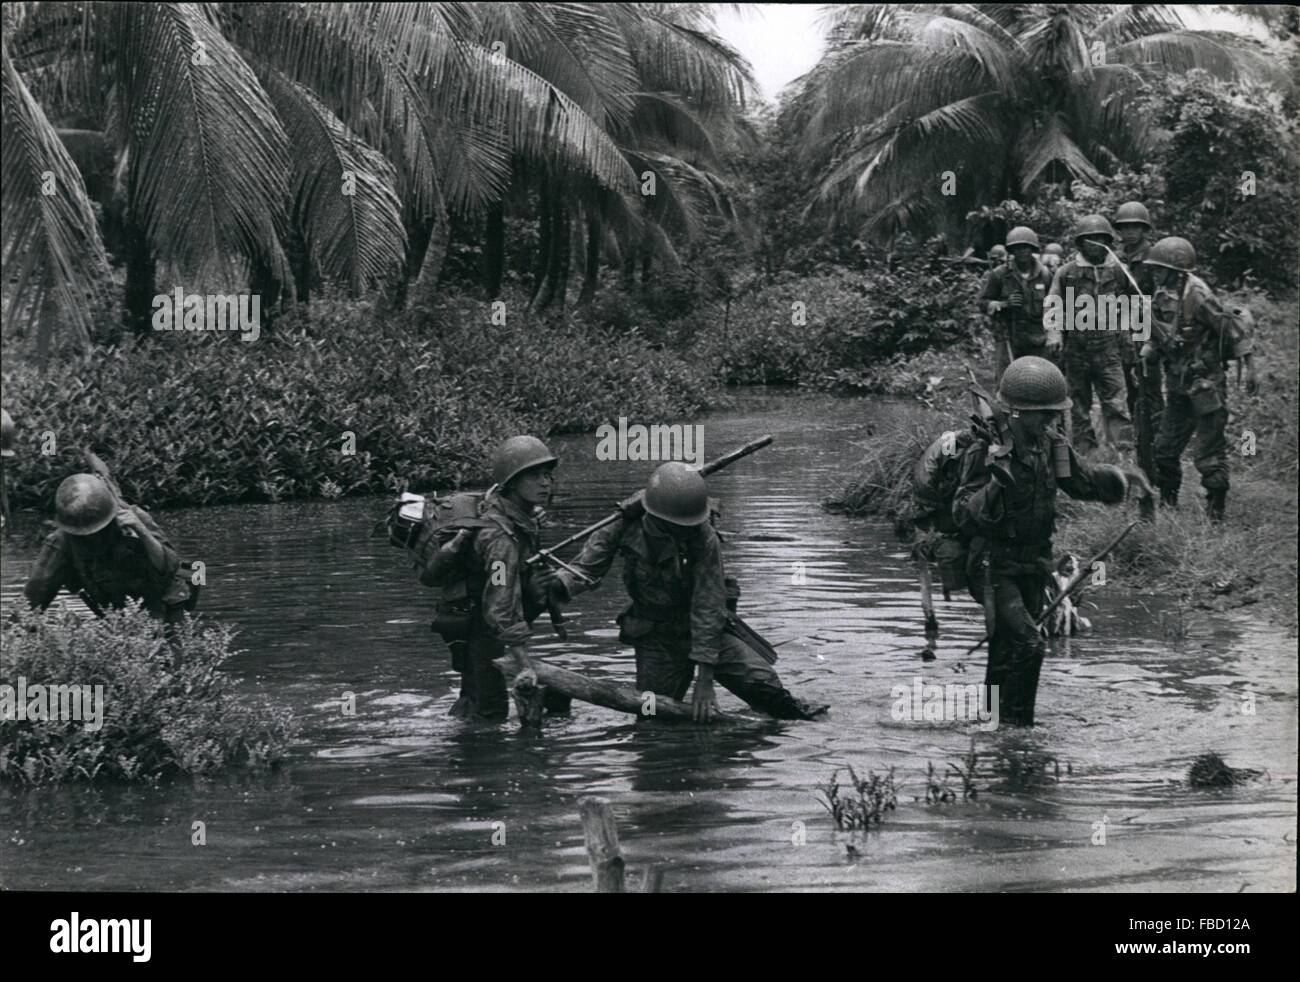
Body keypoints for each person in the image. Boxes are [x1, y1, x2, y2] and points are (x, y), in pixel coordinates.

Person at [547, 462, 826, 722]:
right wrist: (556, 585)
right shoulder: (622, 524)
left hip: (710, 629)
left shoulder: (703, 535)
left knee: (768, 690)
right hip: (655, 634)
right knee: (653, 716)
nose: (684, 532)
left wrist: (704, 680)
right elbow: (586, 568)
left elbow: (708, 604)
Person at [953, 357, 1139, 726]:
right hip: (991, 566)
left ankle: (994, 725)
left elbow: (1081, 482)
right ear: (1018, 412)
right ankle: (1019, 735)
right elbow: (962, 513)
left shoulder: (1052, 446)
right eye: (1044, 414)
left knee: (1006, 647)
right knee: (1029, 643)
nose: (1051, 421)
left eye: (1054, 414)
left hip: (1033, 565)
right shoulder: (984, 450)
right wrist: (993, 485)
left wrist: (1122, 480)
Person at [450, 435, 571, 720]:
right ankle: (476, 757)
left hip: (485, 627)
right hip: (481, 630)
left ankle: (465, 741)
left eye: (547, 475)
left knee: (476, 703)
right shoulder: (500, 539)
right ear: (513, 482)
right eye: (534, 476)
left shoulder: (522, 519)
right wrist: (524, 663)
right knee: (490, 713)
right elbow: (500, 604)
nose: (545, 483)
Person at [1142, 238, 1257, 521]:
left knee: (1208, 452)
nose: (1155, 273)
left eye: (1160, 268)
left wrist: (1251, 368)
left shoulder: (1199, 295)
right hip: (1178, 383)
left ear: (1177, 270)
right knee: (1164, 449)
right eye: (1154, 269)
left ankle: (1215, 514)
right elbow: (1159, 331)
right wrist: (1150, 348)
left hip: (1206, 384)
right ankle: (1169, 505)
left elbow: (1233, 330)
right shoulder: (1162, 292)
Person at [24, 473, 194, 623]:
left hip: (165, 604)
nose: (90, 536)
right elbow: (34, 597)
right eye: (81, 533)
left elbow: (169, 567)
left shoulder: (134, 518)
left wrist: (142, 531)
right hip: (116, 615)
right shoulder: (61, 541)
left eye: (97, 529)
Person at [1045, 214, 1132, 455]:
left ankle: (1122, 453)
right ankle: (1085, 452)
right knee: (1078, 403)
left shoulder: (1118, 271)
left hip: (1108, 347)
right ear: (1081, 243)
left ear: (1108, 241)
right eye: (1089, 239)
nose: (1095, 243)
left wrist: (1135, 339)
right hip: (1077, 347)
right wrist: (1054, 335)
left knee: (1116, 402)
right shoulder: (1067, 272)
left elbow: (1134, 304)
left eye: (1100, 238)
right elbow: (1053, 304)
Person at [1113, 201, 1164, 434]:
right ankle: (1139, 431)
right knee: (1130, 380)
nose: (1130, 233)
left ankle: (1156, 430)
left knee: (1149, 380)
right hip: (1123, 326)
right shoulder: (1116, 258)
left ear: (1144, 229)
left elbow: (1163, 293)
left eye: (1135, 227)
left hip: (1148, 325)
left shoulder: (1155, 255)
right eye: (1125, 228)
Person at [978, 226, 1054, 382]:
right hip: (1008, 336)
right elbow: (982, 303)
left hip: (1037, 338)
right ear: (1011, 251)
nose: (1022, 251)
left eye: (1025, 247)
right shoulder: (999, 274)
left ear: (1032, 249)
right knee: (1007, 381)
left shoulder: (1045, 274)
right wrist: (1004, 304)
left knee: (1038, 380)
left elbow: (1055, 305)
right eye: (1017, 248)